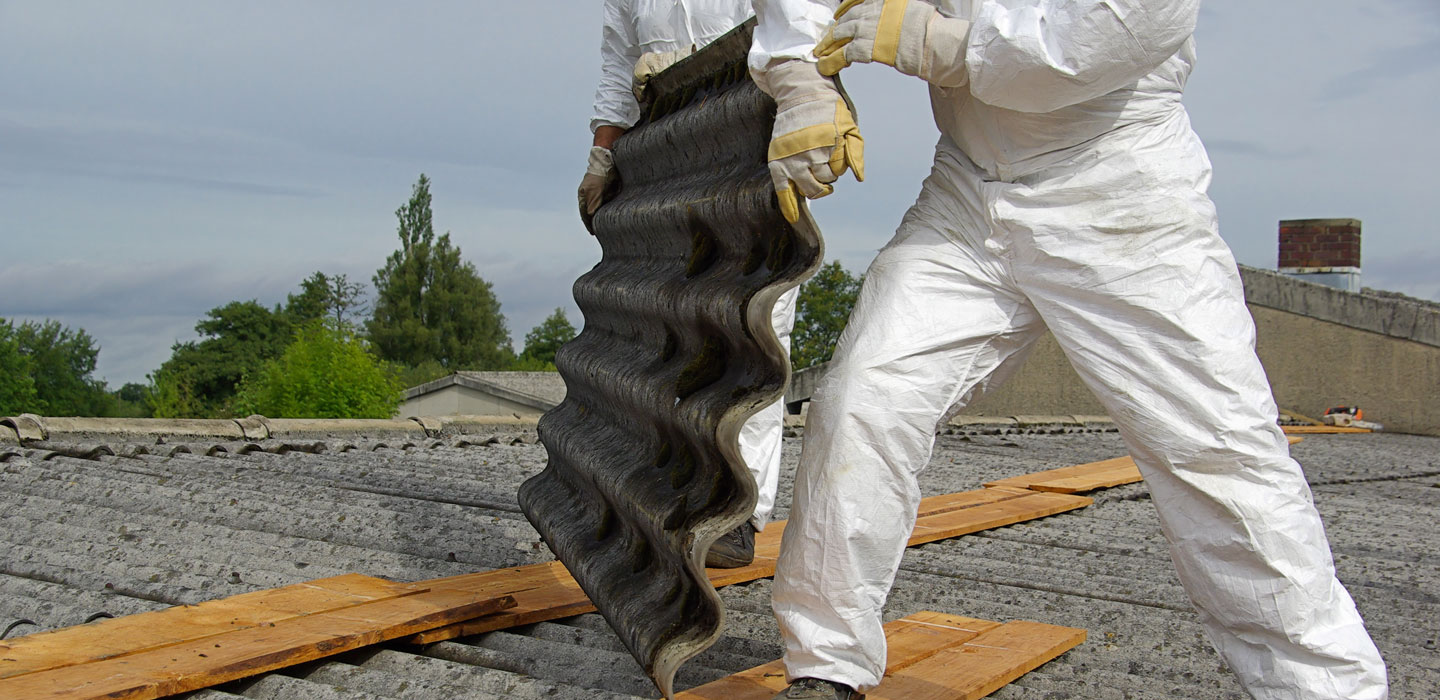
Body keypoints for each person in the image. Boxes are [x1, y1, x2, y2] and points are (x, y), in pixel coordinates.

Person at [746, 1, 1390, 698]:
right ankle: (825, 665)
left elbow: (1082, 49)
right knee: (864, 400)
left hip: (1119, 194)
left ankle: (1322, 687)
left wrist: (936, 42)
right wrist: (800, 78)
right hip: (967, 193)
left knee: (1218, 453)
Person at [580, 0, 797, 568]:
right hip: (669, 145)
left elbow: (802, 25)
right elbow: (618, 63)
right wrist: (603, 153)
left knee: (755, 322)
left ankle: (740, 511)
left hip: (754, 133)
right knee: (670, 323)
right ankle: (674, 489)